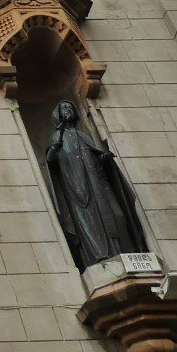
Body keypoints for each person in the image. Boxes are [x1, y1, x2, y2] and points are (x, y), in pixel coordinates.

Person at [44, 99, 148, 270]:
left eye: (70, 106)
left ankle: (124, 253)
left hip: (98, 184)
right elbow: (51, 161)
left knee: (118, 216)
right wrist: (55, 149)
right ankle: (100, 259)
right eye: (64, 107)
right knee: (90, 225)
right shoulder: (56, 137)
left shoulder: (85, 136)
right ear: (58, 114)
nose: (68, 109)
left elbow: (94, 158)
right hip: (78, 190)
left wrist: (103, 158)